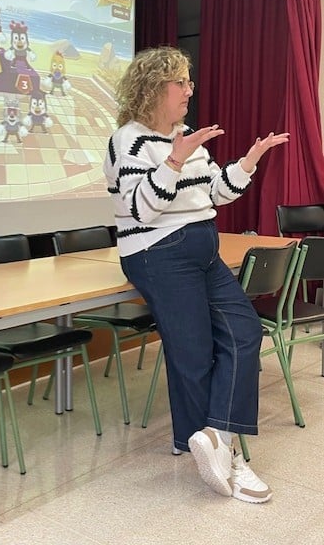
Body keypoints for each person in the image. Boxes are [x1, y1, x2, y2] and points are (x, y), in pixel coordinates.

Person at [103, 45, 290, 504]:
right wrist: (172, 161)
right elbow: (141, 209)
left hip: (202, 249)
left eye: (189, 81)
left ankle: (217, 439)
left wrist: (248, 162)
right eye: (180, 82)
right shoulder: (129, 140)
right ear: (154, 88)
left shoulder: (184, 134)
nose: (190, 90)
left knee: (244, 332)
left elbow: (213, 193)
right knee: (194, 352)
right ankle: (223, 454)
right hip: (157, 252)